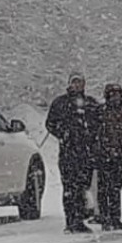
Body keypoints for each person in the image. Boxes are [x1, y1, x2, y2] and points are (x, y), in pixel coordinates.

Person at [45, 74, 100, 233]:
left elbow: (98, 123)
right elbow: (50, 123)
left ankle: (80, 219)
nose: (77, 85)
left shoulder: (91, 103)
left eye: (80, 82)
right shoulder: (60, 103)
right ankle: (71, 221)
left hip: (87, 153)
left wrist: (93, 138)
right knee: (69, 187)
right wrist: (63, 134)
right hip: (68, 152)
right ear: (69, 84)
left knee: (84, 186)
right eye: (74, 82)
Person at [95, 83, 122, 231]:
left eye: (118, 95)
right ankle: (105, 218)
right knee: (104, 188)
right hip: (104, 156)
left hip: (120, 156)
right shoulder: (100, 112)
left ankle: (115, 218)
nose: (115, 98)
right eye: (112, 95)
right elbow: (95, 134)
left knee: (116, 188)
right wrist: (102, 149)